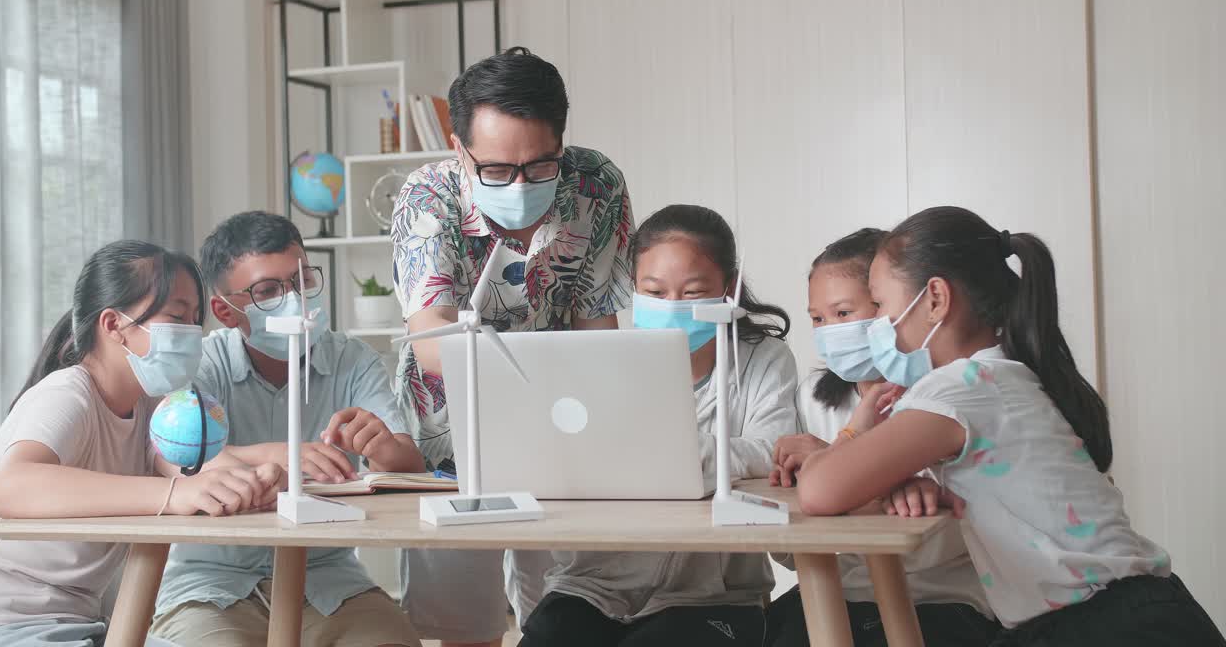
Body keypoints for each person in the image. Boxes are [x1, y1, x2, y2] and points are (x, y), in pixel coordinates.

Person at [795, 206, 1226, 646]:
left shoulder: (956, 389)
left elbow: (817, 490)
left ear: (936, 299)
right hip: (1128, 614)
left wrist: (854, 428)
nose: (876, 329)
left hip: (1109, 627)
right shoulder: (1001, 373)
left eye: (882, 304)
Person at [393, 47, 633, 646]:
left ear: (562, 142)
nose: (520, 184)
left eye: (540, 165)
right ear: (459, 148)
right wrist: (541, 374)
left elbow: (597, 324)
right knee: (462, 621)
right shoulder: (428, 199)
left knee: (562, 608)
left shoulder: (595, 185)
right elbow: (432, 346)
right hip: (451, 430)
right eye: (497, 169)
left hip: (562, 424)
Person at [0, 240, 283, 647]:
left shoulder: (149, 407)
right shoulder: (68, 393)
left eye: (195, 320)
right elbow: (10, 487)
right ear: (112, 325)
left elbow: (195, 469)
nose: (191, 333)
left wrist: (252, 480)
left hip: (77, 623)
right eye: (176, 317)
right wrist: (174, 493)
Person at [518, 204, 797, 647]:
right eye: (655, 291)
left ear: (728, 288)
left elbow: (772, 451)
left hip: (714, 597)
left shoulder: (763, 360)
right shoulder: (604, 361)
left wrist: (665, 453)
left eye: (691, 292)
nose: (673, 307)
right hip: (592, 586)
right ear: (635, 288)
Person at [149, 211, 423, 647]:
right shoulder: (203, 364)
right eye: (268, 291)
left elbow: (410, 464)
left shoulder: (352, 361)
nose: (294, 299)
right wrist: (276, 455)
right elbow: (173, 457)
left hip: (329, 580)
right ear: (224, 310)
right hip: (212, 584)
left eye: (301, 281)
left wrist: (383, 447)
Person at [765, 227, 998, 646]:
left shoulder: (944, 398)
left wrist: (849, 469)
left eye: (843, 314)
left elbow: (959, 525)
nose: (828, 332)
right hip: (842, 594)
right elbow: (791, 547)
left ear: (890, 306)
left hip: (942, 597)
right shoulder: (813, 401)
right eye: (817, 319)